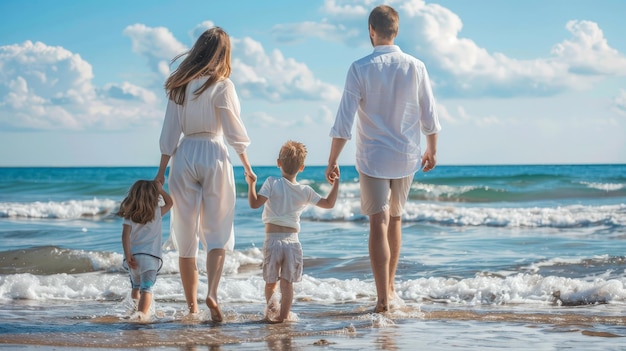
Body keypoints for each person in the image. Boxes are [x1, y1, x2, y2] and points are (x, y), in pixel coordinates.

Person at [325, 5, 441, 313]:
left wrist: (332, 159)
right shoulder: (416, 66)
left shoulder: (360, 67)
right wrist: (432, 148)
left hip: (373, 156)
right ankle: (390, 289)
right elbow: (430, 113)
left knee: (378, 221)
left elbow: (343, 120)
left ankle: (382, 300)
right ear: (397, 31)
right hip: (405, 155)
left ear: (371, 31)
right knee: (396, 219)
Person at [155, 26, 256, 322]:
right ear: (224, 53)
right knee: (217, 233)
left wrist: (160, 172)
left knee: (186, 238)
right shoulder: (223, 85)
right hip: (214, 152)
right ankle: (212, 292)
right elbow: (235, 132)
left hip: (184, 154)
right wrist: (247, 167)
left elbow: (169, 134)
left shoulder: (179, 85)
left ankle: (192, 307)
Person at [246, 140, 340, 323]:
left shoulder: (272, 183)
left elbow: (254, 203)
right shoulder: (305, 191)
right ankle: (283, 317)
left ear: (278, 163)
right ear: (302, 167)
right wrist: (335, 183)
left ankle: (271, 312)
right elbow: (329, 204)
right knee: (287, 283)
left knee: (271, 282)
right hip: (292, 242)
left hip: (272, 241)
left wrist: (251, 183)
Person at [119, 180, 173, 320]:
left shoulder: (129, 215)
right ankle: (141, 315)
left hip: (134, 257)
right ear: (154, 196)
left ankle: (136, 310)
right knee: (147, 289)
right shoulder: (156, 212)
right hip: (150, 258)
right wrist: (161, 190)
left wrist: (128, 254)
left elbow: (125, 236)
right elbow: (170, 203)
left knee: (136, 287)